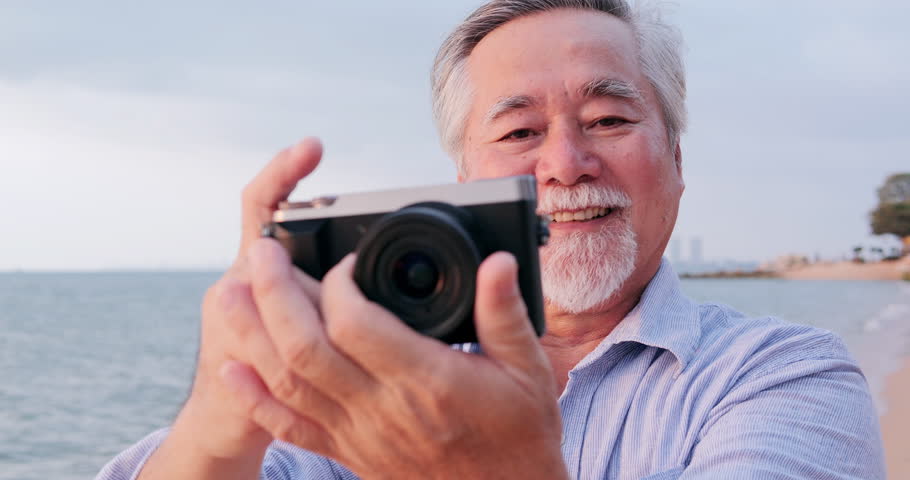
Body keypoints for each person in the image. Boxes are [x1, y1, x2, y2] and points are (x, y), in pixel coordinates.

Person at [96, 1, 885, 479]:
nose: (567, 164)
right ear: (465, 179)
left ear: (676, 159)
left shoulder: (782, 378)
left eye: (609, 120)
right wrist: (226, 399)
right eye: (519, 131)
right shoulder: (362, 376)